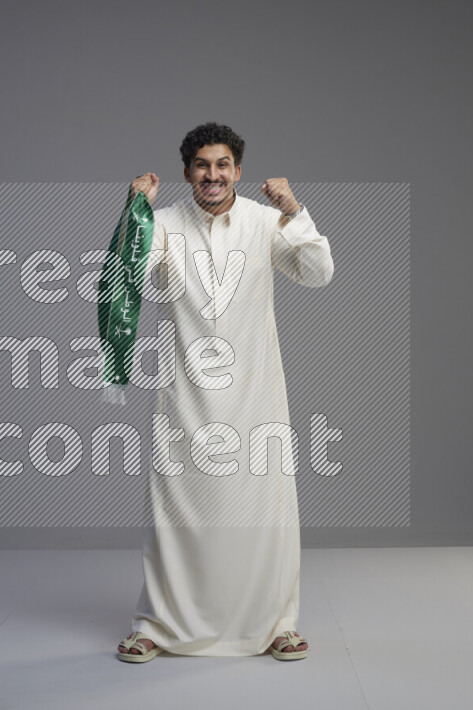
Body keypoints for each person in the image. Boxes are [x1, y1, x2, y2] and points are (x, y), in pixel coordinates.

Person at [114, 122, 334, 661]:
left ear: (238, 170)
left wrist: (295, 210)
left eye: (222, 165)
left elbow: (318, 272)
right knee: (174, 511)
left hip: (256, 395)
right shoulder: (164, 224)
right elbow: (130, 280)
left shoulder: (265, 222)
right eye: (202, 166)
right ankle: (157, 625)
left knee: (266, 508)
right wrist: (134, 215)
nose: (212, 175)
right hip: (184, 398)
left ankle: (277, 623)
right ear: (187, 172)